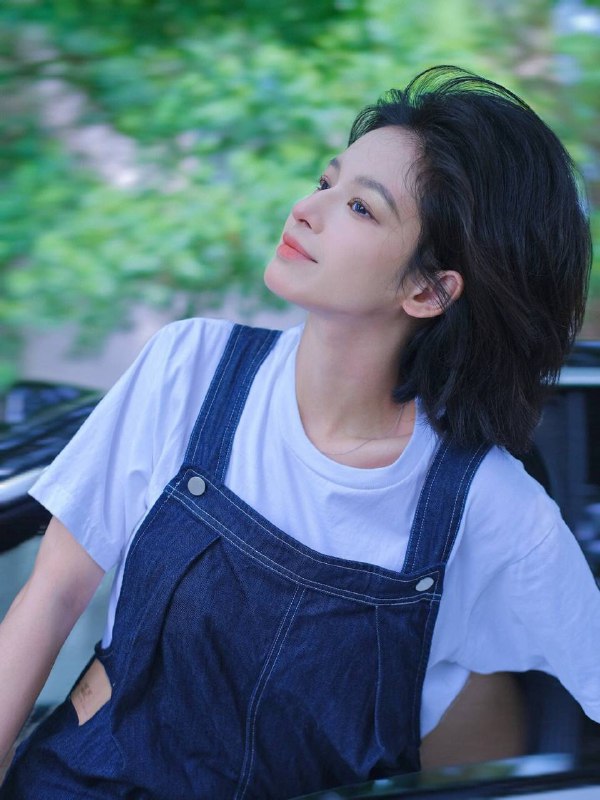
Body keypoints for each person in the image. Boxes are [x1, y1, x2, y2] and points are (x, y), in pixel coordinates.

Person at [0, 65, 598, 799]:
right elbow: (52, 596)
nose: (307, 210)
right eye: (325, 182)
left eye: (361, 208)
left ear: (428, 290)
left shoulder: (489, 507)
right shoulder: (190, 366)